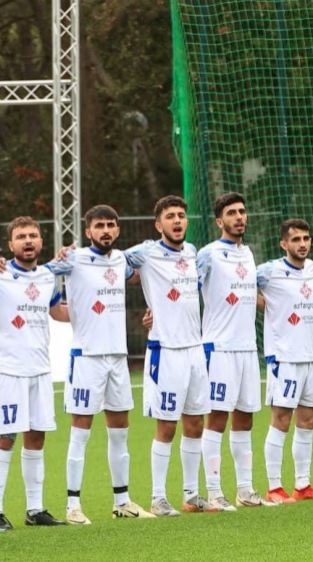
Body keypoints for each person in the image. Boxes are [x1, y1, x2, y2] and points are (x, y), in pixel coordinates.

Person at [47, 205, 154, 522]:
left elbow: (141, 276)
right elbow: (41, 275)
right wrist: (55, 303)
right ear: (88, 231)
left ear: (118, 230)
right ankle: (72, 506)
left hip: (118, 357)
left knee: (120, 431)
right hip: (87, 358)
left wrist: (155, 308)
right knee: (80, 431)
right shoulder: (73, 258)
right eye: (99, 225)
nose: (105, 230)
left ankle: (122, 502)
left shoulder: (121, 260)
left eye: (110, 225)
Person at [125, 195, 213, 516]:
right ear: (158, 224)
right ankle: (158, 497)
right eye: (170, 216)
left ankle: (191, 495)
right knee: (167, 426)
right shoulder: (146, 252)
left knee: (195, 423)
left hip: (195, 350)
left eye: (181, 215)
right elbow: (113, 265)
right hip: (166, 351)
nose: (177, 220)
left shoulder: (192, 252)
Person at [0, 217, 69, 528]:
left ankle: (35, 510)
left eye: (33, 235)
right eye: (21, 236)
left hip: (40, 370)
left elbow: (58, 312)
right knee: (4, 439)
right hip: (7, 371)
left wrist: (97, 307)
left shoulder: (48, 276)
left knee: (36, 438)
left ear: (41, 242)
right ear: (10, 245)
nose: (28, 240)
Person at [197, 193, 271, 509]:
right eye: (232, 213)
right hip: (219, 348)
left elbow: (253, 296)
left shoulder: (248, 253)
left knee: (245, 419)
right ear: (219, 221)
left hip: (247, 348)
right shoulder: (208, 254)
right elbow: (185, 287)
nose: (239, 217)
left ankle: (245, 490)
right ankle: (214, 491)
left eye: (242, 211)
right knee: (217, 418)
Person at [259, 218, 313, 504]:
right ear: (283, 244)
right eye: (295, 239)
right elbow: (238, 287)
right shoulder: (269, 272)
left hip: (310, 357)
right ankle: (274, 487)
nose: (302, 244)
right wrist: (266, 305)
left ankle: (302, 484)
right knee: (281, 419)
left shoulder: (312, 269)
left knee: (308, 420)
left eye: (306, 238)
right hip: (284, 357)